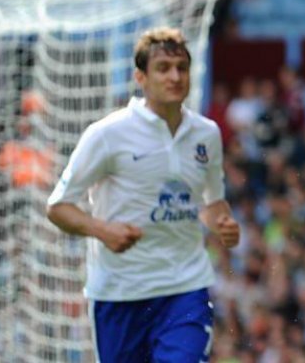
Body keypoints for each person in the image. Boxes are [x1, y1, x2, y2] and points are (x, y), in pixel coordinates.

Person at [46, 27, 240, 362]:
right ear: (141, 77)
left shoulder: (206, 134)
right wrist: (102, 230)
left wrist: (221, 221)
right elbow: (58, 207)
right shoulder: (107, 134)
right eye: (163, 68)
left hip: (184, 287)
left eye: (181, 67)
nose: (175, 76)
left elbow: (210, 202)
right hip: (119, 292)